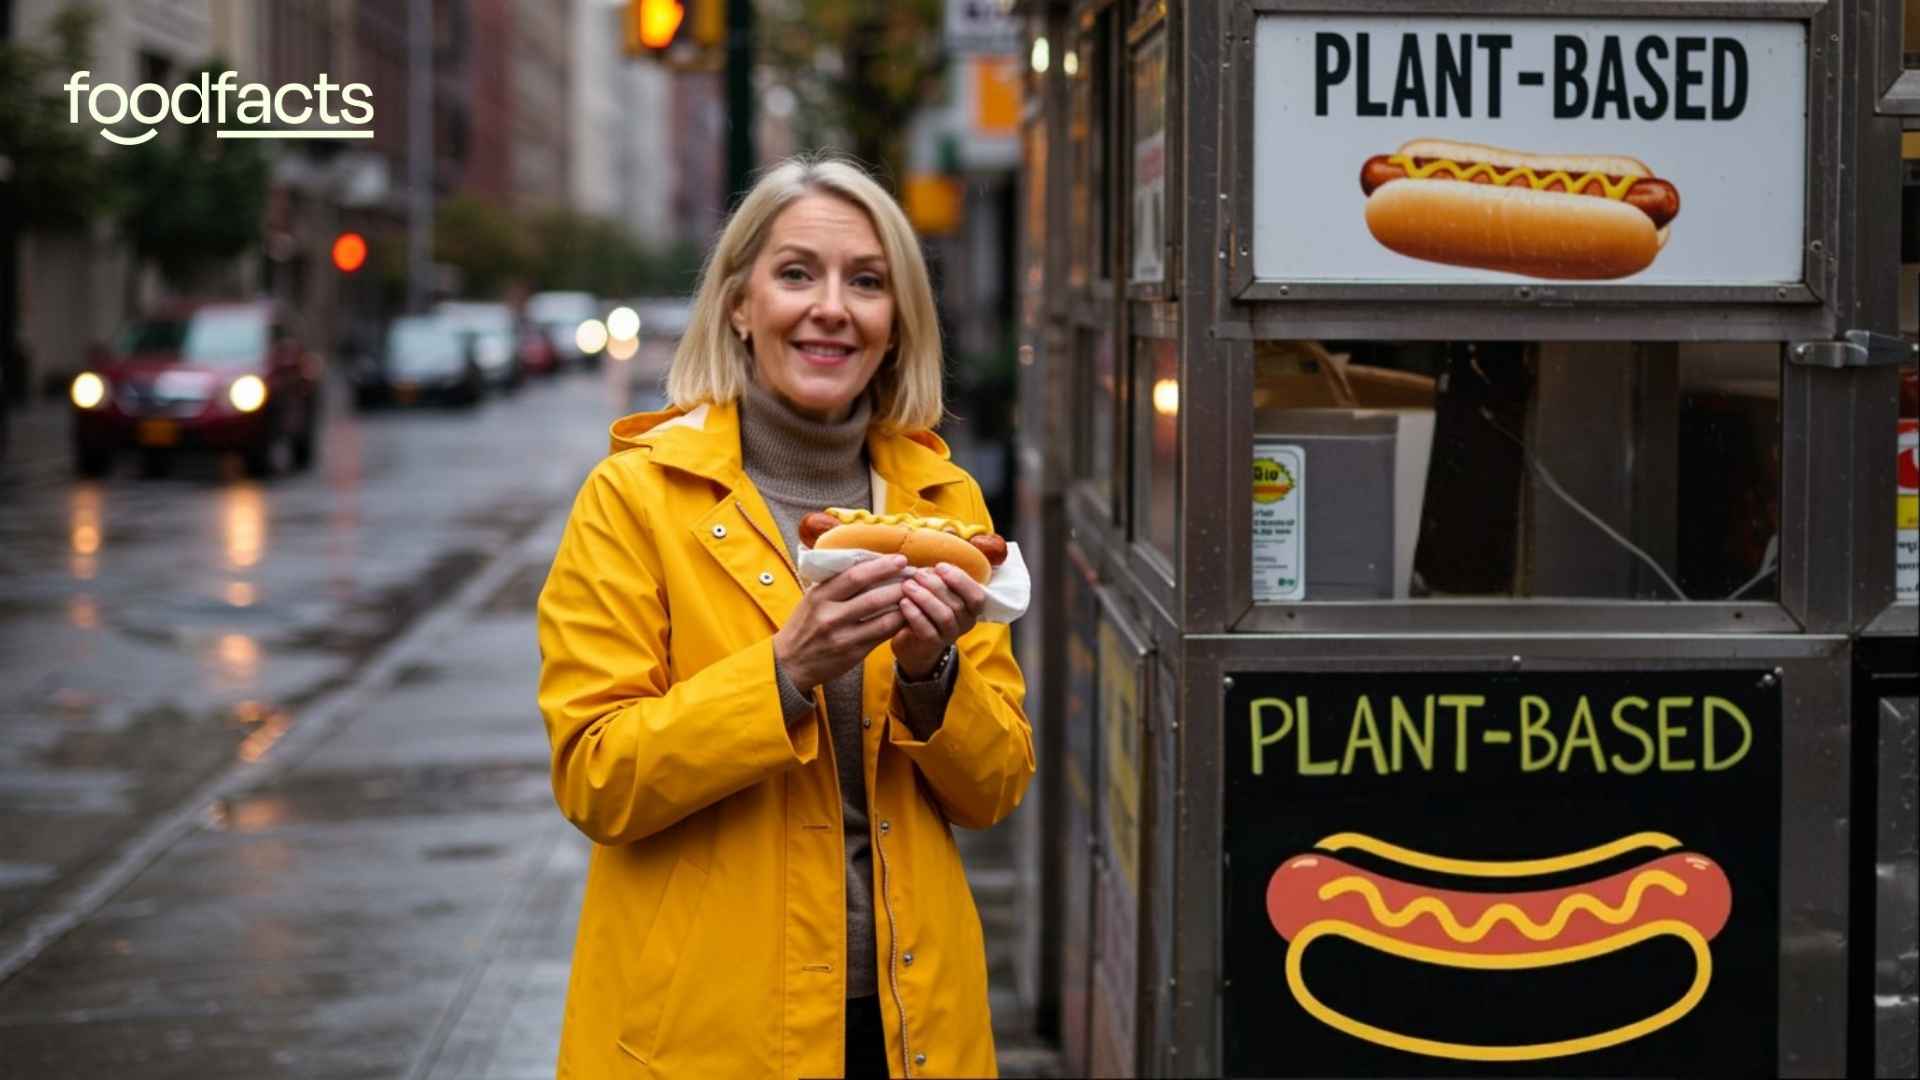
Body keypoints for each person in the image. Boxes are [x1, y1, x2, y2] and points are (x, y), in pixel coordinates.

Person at [536, 154, 1034, 1080]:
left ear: (897, 324)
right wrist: (783, 672)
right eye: (797, 273)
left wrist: (934, 677)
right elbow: (597, 776)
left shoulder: (943, 501)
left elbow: (996, 789)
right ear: (739, 304)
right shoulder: (635, 500)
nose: (832, 307)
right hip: (705, 1033)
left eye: (868, 282)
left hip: (908, 1024)